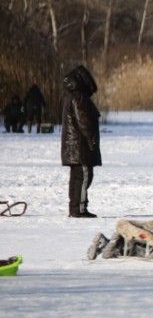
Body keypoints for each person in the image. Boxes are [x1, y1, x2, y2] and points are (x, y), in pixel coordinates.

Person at [60, 64, 101, 218]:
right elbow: (84, 121)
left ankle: (75, 208)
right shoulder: (79, 97)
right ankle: (80, 208)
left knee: (78, 177)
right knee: (84, 176)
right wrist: (92, 140)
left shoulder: (72, 96)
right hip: (80, 148)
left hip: (74, 148)